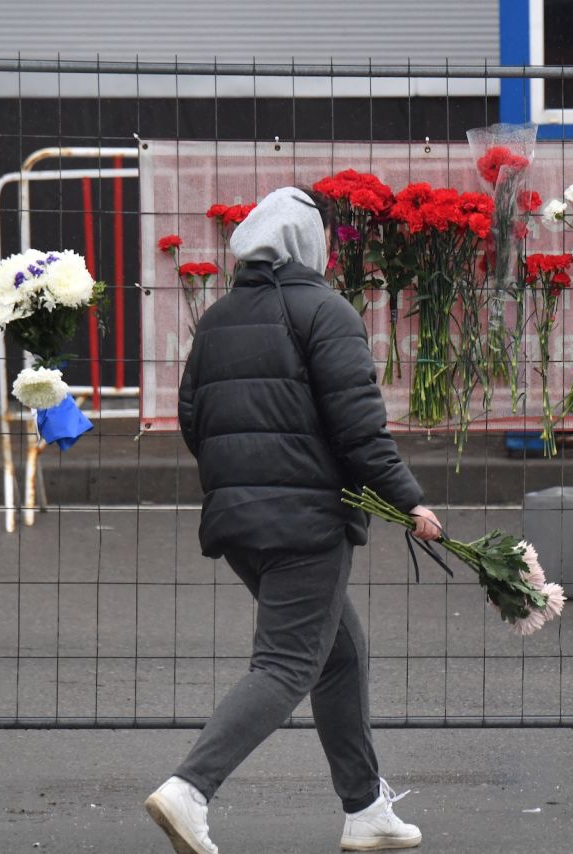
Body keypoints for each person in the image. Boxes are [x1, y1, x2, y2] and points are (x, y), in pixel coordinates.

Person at [146, 186, 438, 853]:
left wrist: (244, 480)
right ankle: (189, 790)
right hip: (306, 520)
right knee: (285, 663)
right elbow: (360, 429)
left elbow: (195, 419)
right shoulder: (326, 311)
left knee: (339, 653)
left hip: (239, 519)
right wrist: (408, 500)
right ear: (310, 245)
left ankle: (365, 808)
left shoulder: (216, 319)